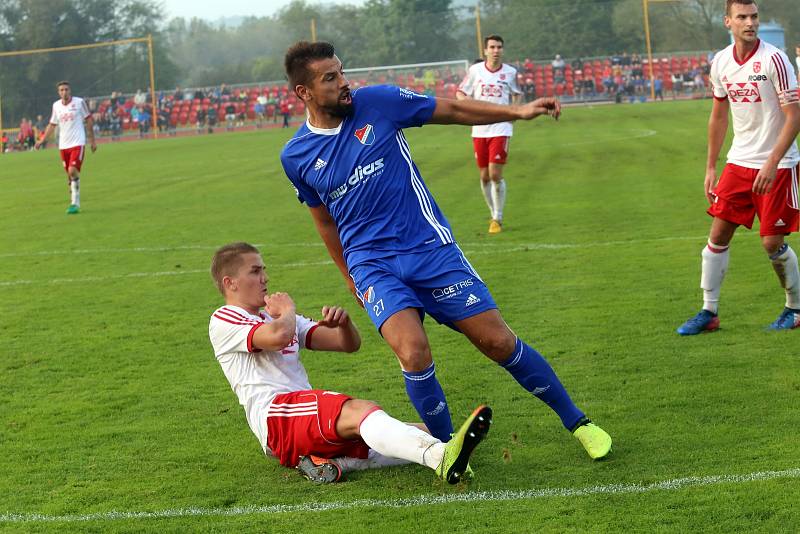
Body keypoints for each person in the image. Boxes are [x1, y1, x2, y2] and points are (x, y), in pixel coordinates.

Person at [279, 41, 612, 461]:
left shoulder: (378, 102)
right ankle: (445, 452)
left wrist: (518, 111)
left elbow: (452, 110)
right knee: (413, 351)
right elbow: (324, 219)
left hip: (429, 249)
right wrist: (351, 278)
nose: (345, 83)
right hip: (373, 266)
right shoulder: (296, 156)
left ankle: (578, 422)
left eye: (342, 72)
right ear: (303, 92)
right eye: (331, 78)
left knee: (497, 342)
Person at [208, 242, 492, 484]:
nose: (265, 278)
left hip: (299, 418)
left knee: (429, 432)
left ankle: (332, 463)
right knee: (361, 411)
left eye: (264, 270)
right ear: (229, 283)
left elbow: (347, 344)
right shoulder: (225, 319)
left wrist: (343, 325)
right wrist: (288, 310)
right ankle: (441, 458)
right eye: (255, 271)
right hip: (276, 416)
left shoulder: (275, 317)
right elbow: (279, 336)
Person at [676, 0, 800, 335]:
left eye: (754, 16)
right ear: (727, 22)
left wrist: (773, 162)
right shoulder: (720, 62)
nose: (750, 23)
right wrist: (710, 167)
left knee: (771, 243)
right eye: (742, 17)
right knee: (717, 236)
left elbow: (795, 115)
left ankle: (795, 308)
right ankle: (708, 312)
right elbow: (718, 116)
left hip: (779, 164)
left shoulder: (774, 59)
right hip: (738, 162)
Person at [456, 35, 523, 234]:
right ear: (485, 50)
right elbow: (461, 92)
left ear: (502, 50)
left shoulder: (510, 72)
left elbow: (517, 93)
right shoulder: (475, 71)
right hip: (479, 128)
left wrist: (514, 112)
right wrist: (468, 106)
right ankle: (493, 212)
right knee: (484, 176)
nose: (496, 50)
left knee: (495, 174)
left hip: (501, 127)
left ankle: (498, 218)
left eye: (499, 47)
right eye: (492, 47)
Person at [34, 81, 96, 215]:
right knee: (70, 174)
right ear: (58, 92)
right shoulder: (56, 106)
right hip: (63, 145)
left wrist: (92, 140)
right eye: (61, 90)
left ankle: (75, 203)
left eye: (66, 89)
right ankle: (74, 187)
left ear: (70, 90)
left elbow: (89, 120)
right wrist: (42, 139)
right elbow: (52, 125)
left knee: (72, 170)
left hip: (78, 143)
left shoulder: (79, 103)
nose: (64, 92)